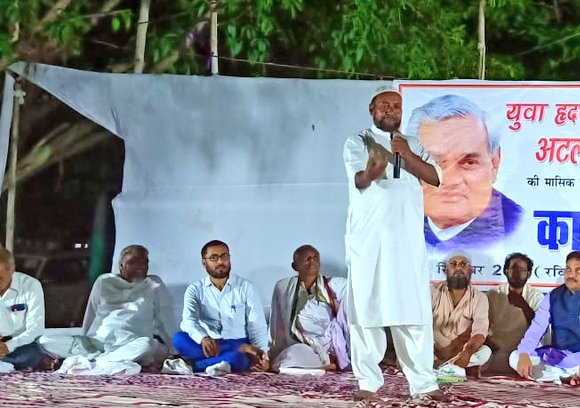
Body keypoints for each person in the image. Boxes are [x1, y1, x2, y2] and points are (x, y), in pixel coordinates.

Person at [342, 87, 449, 402]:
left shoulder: (412, 143)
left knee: (413, 312)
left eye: (396, 106)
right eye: (384, 105)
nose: (391, 110)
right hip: (369, 242)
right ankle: (367, 383)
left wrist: (407, 155)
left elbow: (435, 177)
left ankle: (424, 384)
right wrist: (373, 170)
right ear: (372, 109)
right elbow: (360, 180)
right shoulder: (358, 142)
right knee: (366, 312)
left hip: (406, 242)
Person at [407, 94, 523, 251]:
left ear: (494, 163)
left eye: (468, 162)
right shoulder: (398, 220)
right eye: (433, 162)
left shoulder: (519, 226)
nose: (449, 179)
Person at [40, 245, 176, 375]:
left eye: (144, 262)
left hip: (132, 343)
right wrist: (86, 340)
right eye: (133, 262)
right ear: (121, 266)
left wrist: (175, 350)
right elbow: (91, 313)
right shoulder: (104, 281)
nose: (140, 266)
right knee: (44, 341)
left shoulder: (154, 284)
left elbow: (165, 318)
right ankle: (104, 360)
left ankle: (91, 362)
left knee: (147, 345)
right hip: (97, 343)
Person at [164, 240, 271, 375]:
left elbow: (257, 325)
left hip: (239, 341)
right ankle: (226, 359)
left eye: (224, 256)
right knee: (179, 339)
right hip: (207, 344)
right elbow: (189, 321)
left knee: (239, 359)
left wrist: (262, 356)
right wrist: (203, 338)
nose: (220, 261)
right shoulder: (195, 290)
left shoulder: (245, 287)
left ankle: (192, 365)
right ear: (204, 262)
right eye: (214, 258)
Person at [511, 251, 580, 387]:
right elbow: (537, 327)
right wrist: (524, 353)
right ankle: (567, 377)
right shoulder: (552, 296)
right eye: (568, 270)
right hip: (558, 357)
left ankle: (556, 376)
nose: (571, 275)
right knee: (515, 357)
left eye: (578, 271)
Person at [269, 244, 348, 375]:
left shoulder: (335, 284)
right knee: (288, 358)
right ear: (295, 266)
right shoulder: (283, 287)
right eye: (307, 258)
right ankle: (324, 364)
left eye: (316, 257)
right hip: (303, 346)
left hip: (330, 345)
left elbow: (354, 294)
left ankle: (333, 360)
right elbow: (276, 324)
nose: (313, 261)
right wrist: (272, 353)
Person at [431, 253, 490, 377]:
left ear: (471, 270)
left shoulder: (479, 298)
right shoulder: (432, 291)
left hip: (460, 351)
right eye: (453, 264)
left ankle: (443, 368)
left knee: (485, 352)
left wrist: (467, 352)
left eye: (463, 264)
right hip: (433, 348)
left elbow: (480, 331)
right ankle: (449, 368)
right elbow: (421, 325)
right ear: (445, 270)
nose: (458, 267)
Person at [484, 252, 543, 374]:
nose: (517, 273)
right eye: (513, 269)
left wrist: (523, 305)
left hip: (521, 352)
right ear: (506, 271)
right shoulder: (493, 294)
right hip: (496, 351)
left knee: (536, 363)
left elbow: (540, 328)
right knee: (480, 355)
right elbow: (481, 326)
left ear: (529, 273)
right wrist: (489, 344)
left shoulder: (536, 297)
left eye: (522, 270)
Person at [0, 245, 44, 372]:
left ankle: (5, 364)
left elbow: (36, 329)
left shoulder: (31, 286)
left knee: (32, 355)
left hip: (18, 344)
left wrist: (8, 346)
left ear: (11, 270)